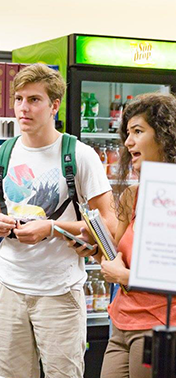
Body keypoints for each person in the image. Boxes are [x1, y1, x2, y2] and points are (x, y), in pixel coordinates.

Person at [0, 63, 117, 378]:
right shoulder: (1, 156)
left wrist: (52, 228)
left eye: (34, 99)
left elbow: (108, 224)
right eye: (19, 99)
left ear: (54, 105)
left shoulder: (80, 155)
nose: (23, 108)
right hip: (8, 287)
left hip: (60, 291)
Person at [71, 92, 176, 378]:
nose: (128, 142)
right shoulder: (132, 195)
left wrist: (125, 277)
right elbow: (117, 253)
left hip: (159, 327)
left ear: (165, 136)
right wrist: (93, 247)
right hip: (120, 323)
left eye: (138, 132)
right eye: (127, 133)